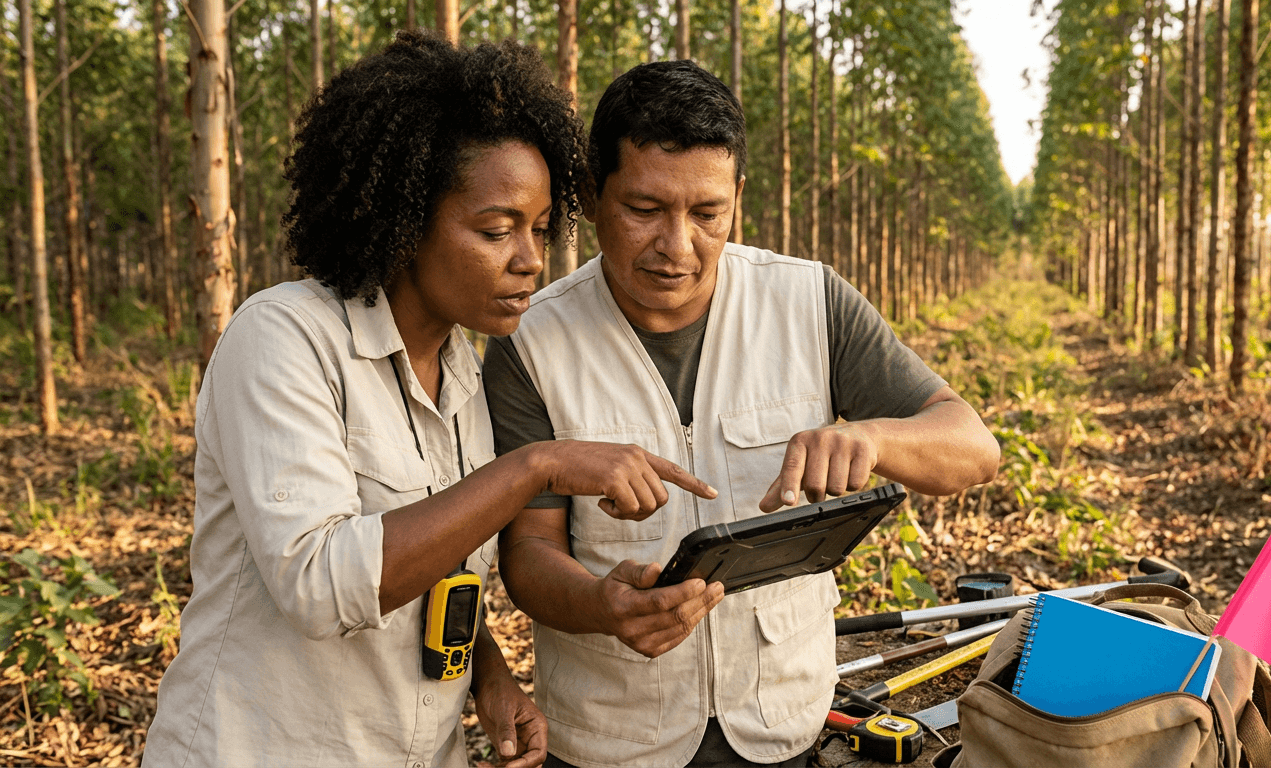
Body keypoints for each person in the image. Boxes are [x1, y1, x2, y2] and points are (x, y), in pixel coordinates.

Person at [143, 35, 715, 768]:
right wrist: (534, 467)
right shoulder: (283, 338)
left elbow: (441, 562)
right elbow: (319, 583)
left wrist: (490, 674)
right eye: (496, 229)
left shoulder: (463, 373)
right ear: (406, 219)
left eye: (540, 230)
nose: (530, 259)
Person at [485, 60, 1002, 768]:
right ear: (591, 195)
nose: (677, 245)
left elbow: (973, 447)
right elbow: (529, 553)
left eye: (707, 214)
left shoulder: (808, 305)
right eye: (644, 210)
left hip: (783, 720)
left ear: (738, 197)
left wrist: (873, 437)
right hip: (610, 738)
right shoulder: (531, 342)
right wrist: (603, 604)